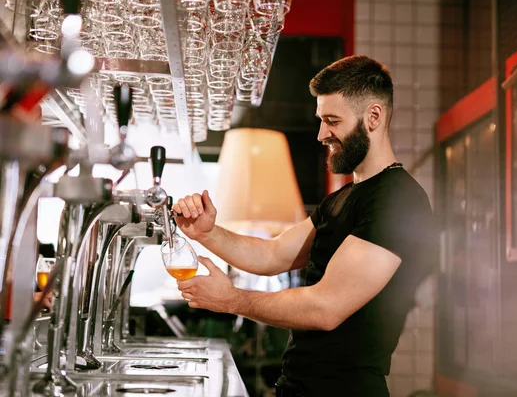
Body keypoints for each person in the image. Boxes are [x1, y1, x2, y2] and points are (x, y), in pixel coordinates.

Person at [173, 55, 438, 397]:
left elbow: (325, 308)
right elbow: (273, 254)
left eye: (332, 120)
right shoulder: (341, 198)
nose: (321, 134)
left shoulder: (398, 200)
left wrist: (231, 300)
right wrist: (207, 233)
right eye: (320, 119)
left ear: (374, 116)